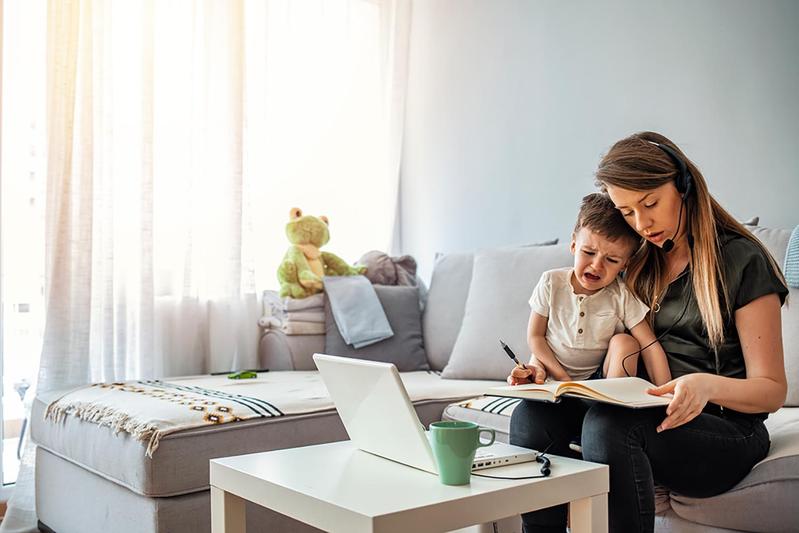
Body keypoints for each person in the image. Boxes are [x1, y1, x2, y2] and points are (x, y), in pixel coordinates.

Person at [508, 131, 788, 532]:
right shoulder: (639, 262)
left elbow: (772, 389)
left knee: (609, 426)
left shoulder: (743, 261)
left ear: (684, 185)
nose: (642, 224)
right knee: (533, 415)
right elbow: (584, 334)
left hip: (724, 430)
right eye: (627, 212)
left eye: (650, 204)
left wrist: (705, 386)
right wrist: (541, 370)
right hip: (645, 412)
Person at [526, 192, 672, 387]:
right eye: (588, 252)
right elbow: (535, 336)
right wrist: (562, 378)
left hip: (599, 381)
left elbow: (649, 345)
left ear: (625, 265)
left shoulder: (620, 295)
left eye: (611, 260)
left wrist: (666, 394)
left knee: (626, 342)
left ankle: (612, 404)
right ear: (573, 245)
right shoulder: (551, 282)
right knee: (534, 369)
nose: (596, 266)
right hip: (553, 375)